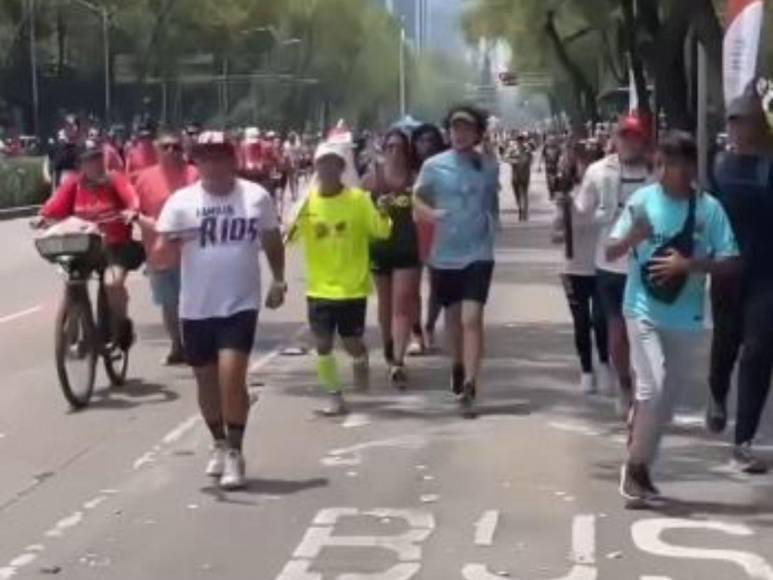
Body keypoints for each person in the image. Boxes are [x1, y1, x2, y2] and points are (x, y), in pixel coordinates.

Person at [606, 131, 740, 505]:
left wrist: (691, 264)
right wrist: (633, 237)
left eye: (678, 164)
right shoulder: (642, 201)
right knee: (654, 387)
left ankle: (642, 465)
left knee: (664, 403)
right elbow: (611, 250)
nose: (669, 172)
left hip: (686, 317)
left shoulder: (709, 209)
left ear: (692, 167)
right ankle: (633, 468)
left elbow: (733, 262)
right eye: (663, 164)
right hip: (642, 309)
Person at [155, 131, 286, 490]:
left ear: (233, 160)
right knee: (206, 381)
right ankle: (217, 441)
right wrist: (163, 250)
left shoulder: (255, 198)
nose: (212, 164)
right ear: (196, 163)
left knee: (232, 376)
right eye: (205, 157)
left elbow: (272, 239)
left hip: (239, 302)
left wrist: (279, 278)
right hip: (196, 306)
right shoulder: (181, 203)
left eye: (219, 157)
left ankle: (235, 452)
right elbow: (162, 250)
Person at [289, 142, 392, 416]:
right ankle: (334, 395)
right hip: (320, 287)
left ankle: (360, 357)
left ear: (341, 168)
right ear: (316, 168)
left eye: (333, 163)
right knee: (322, 343)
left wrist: (382, 212)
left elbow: (380, 232)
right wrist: (293, 219)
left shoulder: (358, 200)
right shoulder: (308, 203)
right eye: (322, 163)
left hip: (352, 288)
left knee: (350, 343)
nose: (327, 169)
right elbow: (290, 239)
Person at [414, 105, 500, 417]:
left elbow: (492, 195)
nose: (460, 134)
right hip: (444, 254)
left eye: (466, 129)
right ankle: (458, 364)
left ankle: (471, 385)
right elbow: (416, 199)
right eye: (454, 128)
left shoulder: (487, 165)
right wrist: (431, 214)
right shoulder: (434, 166)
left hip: (478, 252)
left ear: (477, 132)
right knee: (452, 320)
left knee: (471, 319)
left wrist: (488, 154)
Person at [708, 91, 773, 473]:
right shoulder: (720, 166)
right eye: (732, 120)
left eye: (743, 119)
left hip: (767, 274)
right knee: (726, 346)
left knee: (759, 352)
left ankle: (743, 442)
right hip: (728, 272)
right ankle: (716, 393)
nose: (737, 127)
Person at [575, 115, 653, 417]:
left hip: (649, 265)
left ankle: (645, 388)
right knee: (617, 336)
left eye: (635, 137)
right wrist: (569, 209)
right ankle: (624, 384)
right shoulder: (598, 171)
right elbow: (583, 209)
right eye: (624, 136)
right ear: (615, 139)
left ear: (643, 140)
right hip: (610, 266)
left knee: (647, 334)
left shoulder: (657, 171)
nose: (629, 142)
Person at [40, 140, 140, 349]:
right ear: (81, 164)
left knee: (112, 284)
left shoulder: (114, 179)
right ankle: (72, 329)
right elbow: (54, 206)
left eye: (97, 158)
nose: (94, 164)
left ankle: (122, 325)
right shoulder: (74, 184)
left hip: (115, 245)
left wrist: (131, 211)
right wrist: (43, 217)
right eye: (88, 160)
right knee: (72, 281)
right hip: (86, 246)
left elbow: (131, 197)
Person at [135, 130, 199, 365]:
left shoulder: (194, 175)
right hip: (158, 252)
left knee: (192, 301)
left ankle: (194, 345)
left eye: (176, 147)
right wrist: (152, 226)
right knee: (168, 303)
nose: (172, 151)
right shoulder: (143, 178)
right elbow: (135, 210)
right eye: (166, 147)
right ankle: (176, 345)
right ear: (156, 150)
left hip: (192, 252)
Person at [363, 129, 421, 388]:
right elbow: (357, 208)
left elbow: (427, 211)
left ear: (407, 151)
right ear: (383, 150)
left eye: (399, 147)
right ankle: (388, 346)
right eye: (390, 147)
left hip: (408, 248)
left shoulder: (416, 178)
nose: (395, 152)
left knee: (403, 303)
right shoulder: (373, 177)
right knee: (385, 306)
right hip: (380, 247)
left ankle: (398, 360)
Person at [552, 140, 611, 394]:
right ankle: (586, 370)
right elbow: (556, 232)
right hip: (573, 267)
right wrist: (562, 216)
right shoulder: (567, 194)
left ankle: (605, 364)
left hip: (601, 264)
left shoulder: (608, 191)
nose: (583, 167)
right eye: (578, 162)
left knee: (601, 319)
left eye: (587, 161)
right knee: (581, 321)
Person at [411, 123, 446, 353]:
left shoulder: (445, 167)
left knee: (438, 285)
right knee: (411, 285)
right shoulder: (408, 168)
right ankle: (416, 335)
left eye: (431, 140)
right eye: (422, 140)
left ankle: (430, 327)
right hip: (412, 228)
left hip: (439, 228)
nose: (426, 144)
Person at [509, 133, 534, 221]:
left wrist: (526, 161)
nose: (519, 141)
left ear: (523, 141)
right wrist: (513, 161)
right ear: (516, 141)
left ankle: (525, 212)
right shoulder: (512, 150)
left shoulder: (527, 150)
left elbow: (531, 160)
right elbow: (505, 158)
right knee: (517, 194)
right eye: (518, 140)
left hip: (525, 175)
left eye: (521, 140)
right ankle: (520, 208)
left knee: (524, 193)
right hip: (515, 176)